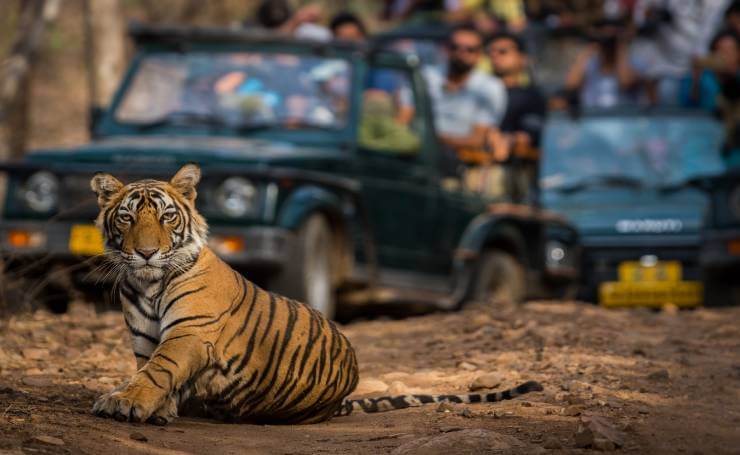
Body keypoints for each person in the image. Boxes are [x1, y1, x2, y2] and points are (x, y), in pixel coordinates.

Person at [425, 24, 507, 157]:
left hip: (459, 159)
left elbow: (477, 139)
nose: (461, 53)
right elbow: (405, 117)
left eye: (470, 49)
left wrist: (433, 139)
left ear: (480, 54)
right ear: (446, 48)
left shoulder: (490, 87)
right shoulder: (426, 76)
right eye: (455, 47)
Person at [489, 32, 547, 203]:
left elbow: (528, 136)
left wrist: (508, 140)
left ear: (522, 58)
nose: (495, 56)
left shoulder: (531, 96)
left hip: (511, 171)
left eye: (503, 51)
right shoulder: (479, 92)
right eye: (491, 52)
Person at [563, 19, 642, 109]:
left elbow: (626, 83)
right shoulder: (589, 63)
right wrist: (587, 51)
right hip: (592, 118)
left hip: (623, 118)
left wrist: (620, 47)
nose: (608, 42)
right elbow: (571, 86)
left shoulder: (633, 62)